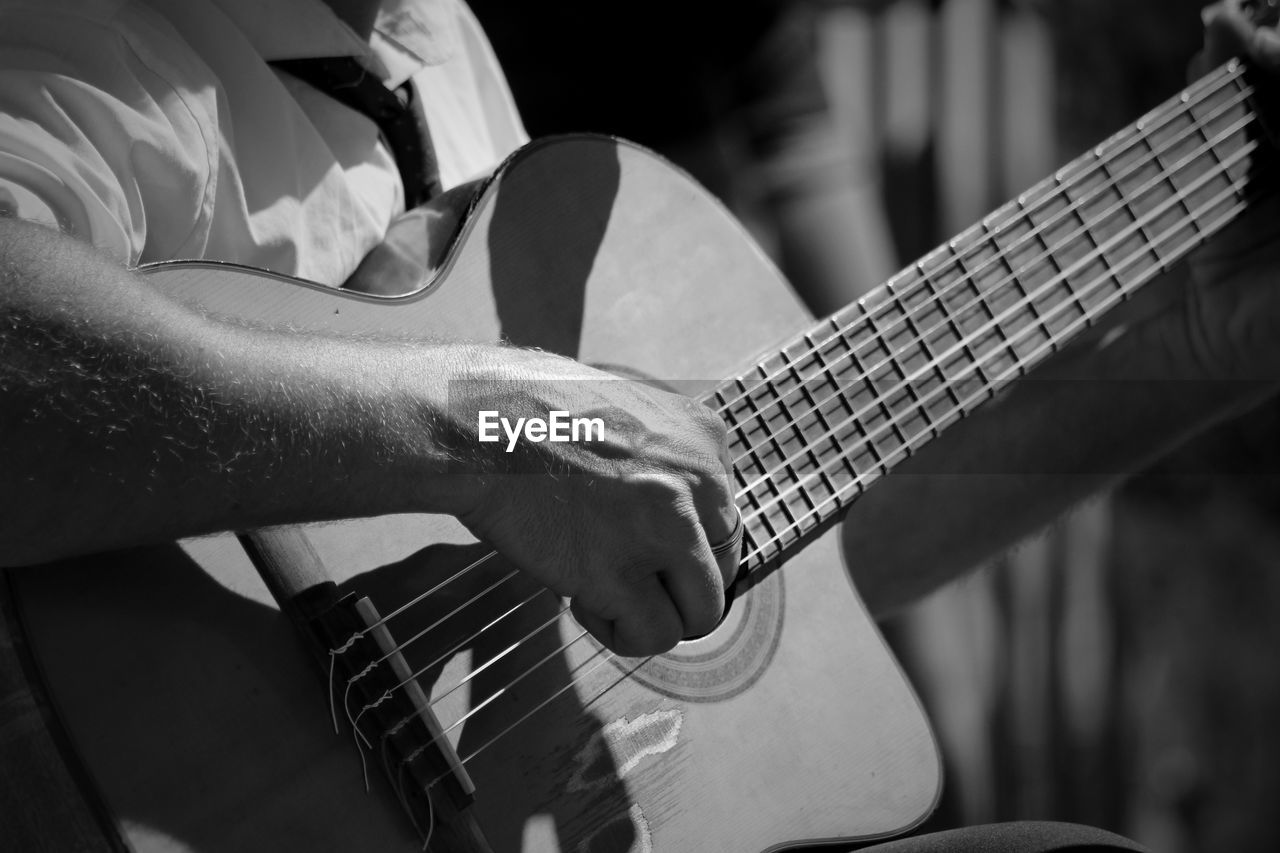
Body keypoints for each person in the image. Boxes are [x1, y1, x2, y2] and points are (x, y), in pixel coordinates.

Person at [0, 0, 1276, 849]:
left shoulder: (430, 35)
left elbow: (769, 579)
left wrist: (1198, 351)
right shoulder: (89, 46)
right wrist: (486, 432)